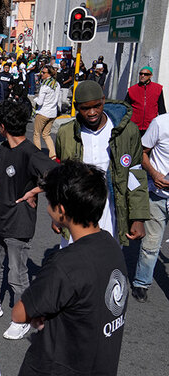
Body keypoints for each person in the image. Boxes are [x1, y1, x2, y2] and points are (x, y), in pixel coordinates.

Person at [4, 161, 128, 376]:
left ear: (61, 210)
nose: (48, 211)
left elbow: (21, 312)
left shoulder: (65, 264)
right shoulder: (111, 249)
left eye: (50, 206)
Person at [0, 99, 57, 340]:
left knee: (17, 274)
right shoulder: (4, 149)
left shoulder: (31, 153)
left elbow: (56, 174)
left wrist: (35, 191)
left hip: (20, 224)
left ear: (3, 125)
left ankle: (22, 317)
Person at [55, 80, 149, 247]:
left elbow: (136, 177)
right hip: (76, 215)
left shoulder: (127, 132)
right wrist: (58, 213)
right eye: (85, 108)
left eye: (97, 106)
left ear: (103, 100)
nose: (92, 112)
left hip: (111, 214)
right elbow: (62, 178)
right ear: (76, 106)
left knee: (106, 266)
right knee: (74, 266)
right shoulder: (66, 133)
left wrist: (138, 217)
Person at [131, 112, 169, 302]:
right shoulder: (161, 123)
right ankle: (141, 283)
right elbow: (142, 151)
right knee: (151, 244)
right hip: (157, 195)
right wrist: (154, 174)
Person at [125, 66, 166, 136]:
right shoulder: (132, 90)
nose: (143, 76)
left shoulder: (157, 89)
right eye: (141, 74)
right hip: (134, 126)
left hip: (151, 126)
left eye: (146, 74)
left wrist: (164, 124)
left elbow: (161, 108)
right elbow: (125, 107)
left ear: (151, 76)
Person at [33, 65, 60, 159]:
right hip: (53, 113)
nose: (41, 74)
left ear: (49, 74)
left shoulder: (45, 85)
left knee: (37, 134)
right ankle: (53, 154)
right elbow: (57, 99)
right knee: (46, 134)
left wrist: (35, 99)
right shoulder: (56, 84)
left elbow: (40, 102)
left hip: (43, 112)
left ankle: (37, 155)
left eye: (43, 72)